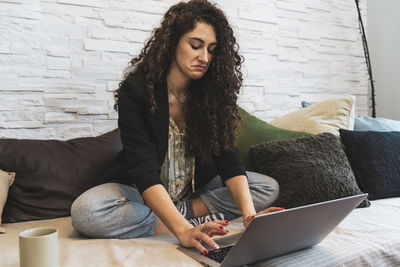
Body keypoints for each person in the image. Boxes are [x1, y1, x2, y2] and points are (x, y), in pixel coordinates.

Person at [71, 0, 281, 254]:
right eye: (195, 45)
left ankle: (180, 216)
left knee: (266, 187)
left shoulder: (212, 92)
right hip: (142, 191)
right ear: (173, 43)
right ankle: (178, 222)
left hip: (194, 193)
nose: (204, 57)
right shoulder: (136, 91)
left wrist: (250, 217)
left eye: (212, 50)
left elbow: (229, 159)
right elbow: (144, 170)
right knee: (86, 211)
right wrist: (181, 231)